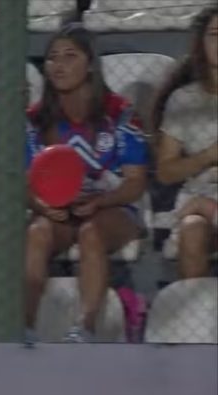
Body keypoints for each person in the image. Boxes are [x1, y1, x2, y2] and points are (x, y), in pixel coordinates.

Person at [24, 24, 149, 343]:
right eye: (52, 58)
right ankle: (21, 326)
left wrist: (100, 202)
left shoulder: (120, 114)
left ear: (91, 63)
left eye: (70, 56)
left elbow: (135, 183)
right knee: (37, 232)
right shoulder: (35, 120)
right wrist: (43, 207)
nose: (59, 65)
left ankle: (85, 328)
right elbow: (23, 183)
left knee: (91, 231)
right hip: (58, 211)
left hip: (114, 208)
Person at [153, 6, 218, 279]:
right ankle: (198, 319)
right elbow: (166, 172)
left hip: (204, 203)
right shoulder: (184, 100)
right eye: (215, 34)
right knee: (192, 228)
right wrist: (208, 156)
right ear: (201, 43)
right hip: (199, 195)